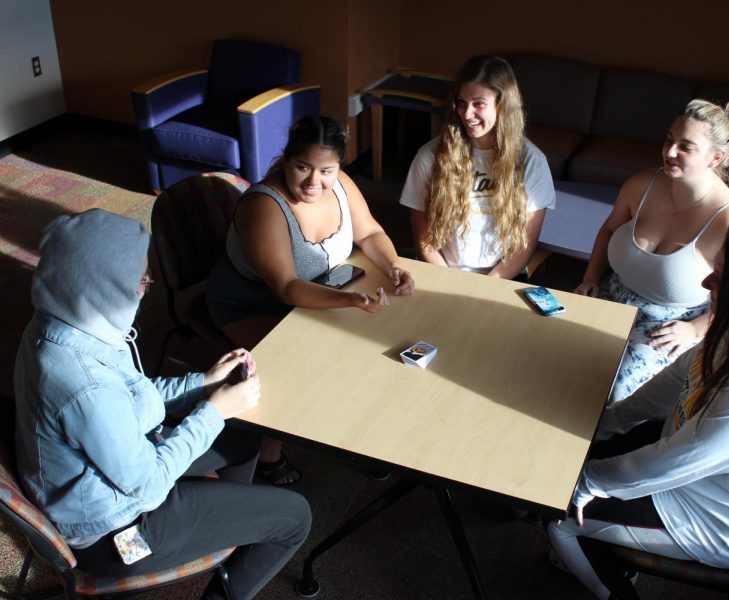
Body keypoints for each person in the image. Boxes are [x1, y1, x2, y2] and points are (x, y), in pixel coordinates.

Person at [14, 209, 312, 600]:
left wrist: (204, 383)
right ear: (102, 286)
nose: (147, 285)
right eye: (139, 279)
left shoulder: (67, 320)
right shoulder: (83, 386)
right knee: (295, 517)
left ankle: (231, 530)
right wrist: (214, 410)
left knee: (243, 434)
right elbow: (148, 484)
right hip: (115, 531)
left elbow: (132, 397)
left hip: (114, 478)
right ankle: (230, 550)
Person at [548, 222, 729, 600]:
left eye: (719, 278)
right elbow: (668, 388)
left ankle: (613, 591)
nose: (705, 285)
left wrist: (588, 482)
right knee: (577, 457)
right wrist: (600, 427)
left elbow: (673, 463)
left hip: (716, 519)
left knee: (559, 514)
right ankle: (608, 549)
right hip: (698, 471)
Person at [207, 115, 415, 484]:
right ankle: (269, 455)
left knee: (377, 340)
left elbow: (370, 232)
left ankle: (359, 429)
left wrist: (394, 265)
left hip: (323, 287)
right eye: (303, 167)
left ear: (338, 167)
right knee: (299, 359)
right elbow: (286, 287)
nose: (314, 182)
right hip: (253, 301)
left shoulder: (342, 185)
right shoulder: (264, 205)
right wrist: (350, 302)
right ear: (286, 160)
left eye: (326, 170)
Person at [574, 99, 729, 403]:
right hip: (610, 296)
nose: (670, 152)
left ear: (716, 157)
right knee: (549, 353)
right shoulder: (641, 183)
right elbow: (608, 229)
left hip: (667, 327)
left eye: (686, 146)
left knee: (606, 393)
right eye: (669, 140)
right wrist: (591, 276)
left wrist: (696, 329)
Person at [399, 54, 555, 278]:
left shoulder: (533, 162)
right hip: (443, 272)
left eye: (479, 104)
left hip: (502, 275)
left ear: (502, 105)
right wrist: (450, 284)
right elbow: (424, 238)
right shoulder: (429, 156)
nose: (467, 114)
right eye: (461, 103)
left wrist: (487, 286)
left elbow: (524, 245)